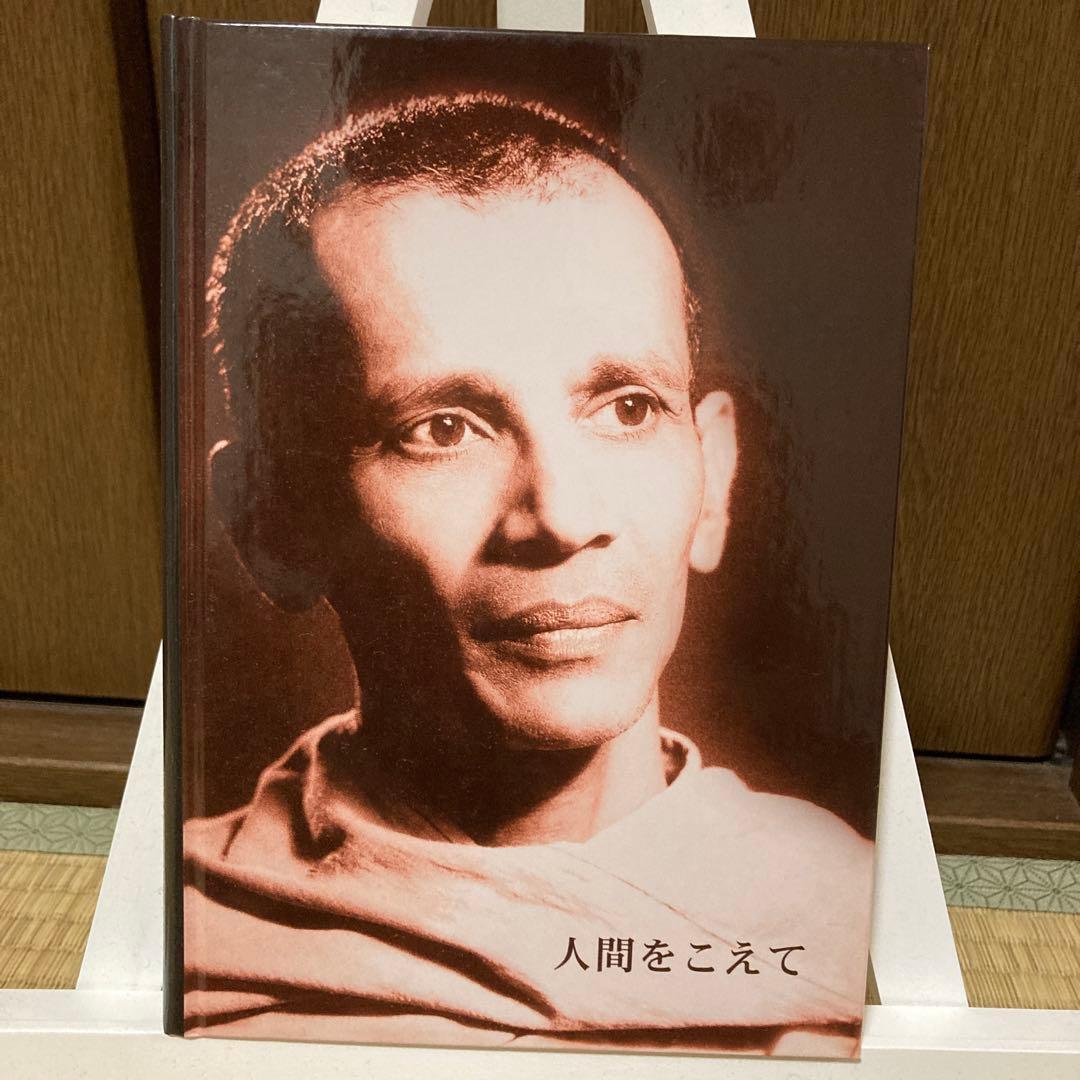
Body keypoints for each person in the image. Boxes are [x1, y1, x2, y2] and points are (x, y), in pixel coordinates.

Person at [183, 91, 873, 1058]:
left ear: (713, 477)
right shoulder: (189, 951)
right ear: (270, 522)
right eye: (441, 429)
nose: (562, 517)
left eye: (627, 408)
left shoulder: (853, 926)